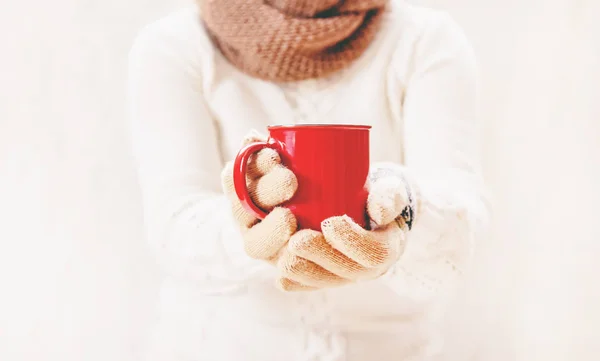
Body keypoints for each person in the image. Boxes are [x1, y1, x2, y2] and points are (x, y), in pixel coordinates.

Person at [127, 0, 490, 359]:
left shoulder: (425, 40)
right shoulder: (173, 45)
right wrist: (246, 228)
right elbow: (171, 225)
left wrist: (404, 212)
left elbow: (462, 219)